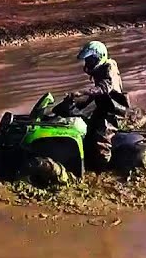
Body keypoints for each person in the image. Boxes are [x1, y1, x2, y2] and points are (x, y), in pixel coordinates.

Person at [55, 40, 130, 170]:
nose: (87, 64)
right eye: (87, 61)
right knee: (88, 128)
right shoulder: (99, 70)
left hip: (114, 111)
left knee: (101, 140)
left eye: (90, 60)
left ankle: (103, 167)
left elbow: (104, 88)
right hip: (104, 107)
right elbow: (95, 94)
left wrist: (81, 92)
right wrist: (77, 104)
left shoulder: (109, 68)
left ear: (99, 57)